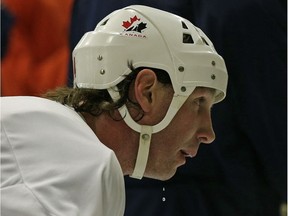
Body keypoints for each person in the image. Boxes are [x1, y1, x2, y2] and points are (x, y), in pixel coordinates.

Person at [1, 5, 228, 216]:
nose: (208, 134)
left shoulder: (38, 131)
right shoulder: (87, 166)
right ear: (147, 92)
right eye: (198, 102)